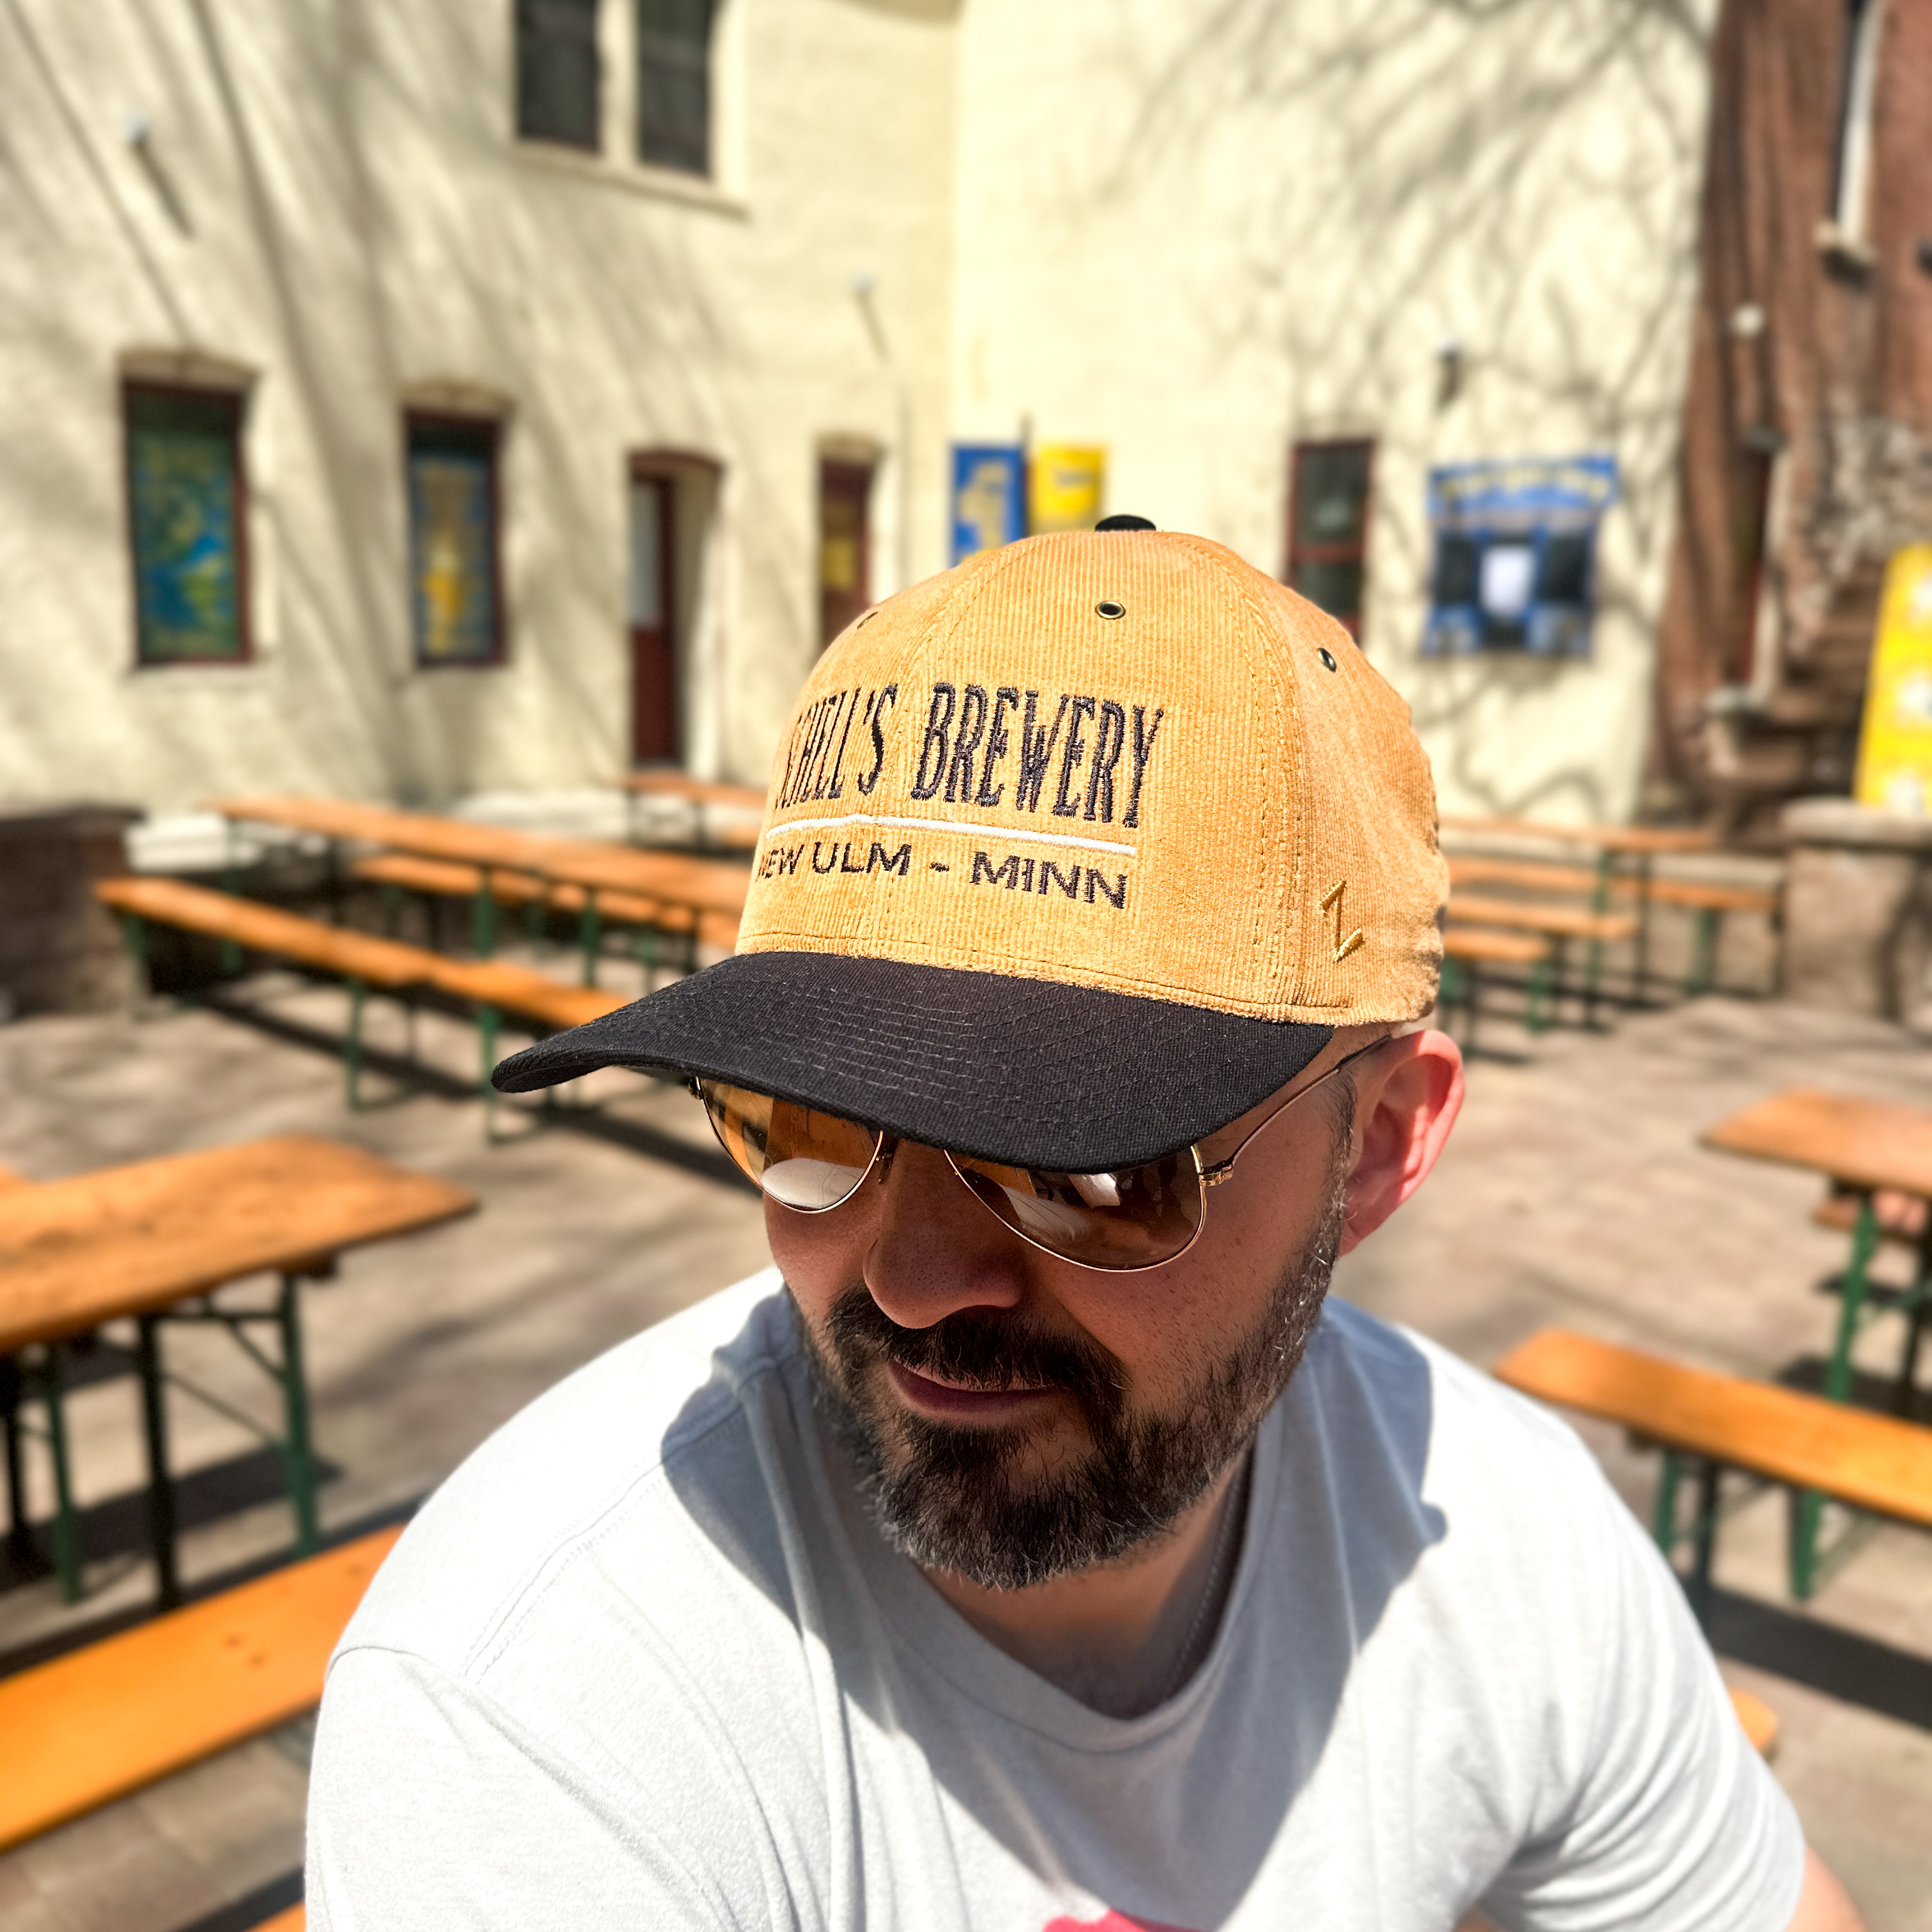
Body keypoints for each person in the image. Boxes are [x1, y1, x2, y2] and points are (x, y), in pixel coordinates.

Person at [308, 525, 1861, 1931]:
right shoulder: (538, 1703)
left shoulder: (1504, 1542)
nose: (911, 1282)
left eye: (1086, 1169)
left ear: (1379, 1143)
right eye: (814, 1125)